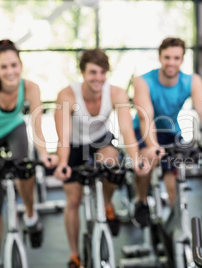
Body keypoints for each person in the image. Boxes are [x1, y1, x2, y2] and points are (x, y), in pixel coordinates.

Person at [53, 48, 147, 268]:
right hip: (74, 146)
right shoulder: (67, 94)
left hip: (101, 141)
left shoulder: (115, 93)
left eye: (102, 73)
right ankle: (75, 255)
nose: (98, 78)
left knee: (113, 164)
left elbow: (126, 130)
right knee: (73, 201)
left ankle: (106, 204)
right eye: (93, 72)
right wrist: (63, 164)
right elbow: (63, 136)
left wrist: (135, 159)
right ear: (83, 73)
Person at [0, 39, 54, 268]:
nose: (10, 71)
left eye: (14, 65)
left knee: (25, 167)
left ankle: (31, 216)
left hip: (14, 129)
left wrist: (44, 155)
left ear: (20, 65)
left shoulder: (31, 88)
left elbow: (37, 127)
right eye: (3, 67)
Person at [132, 37, 202, 227]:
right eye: (167, 57)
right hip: (144, 129)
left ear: (182, 59)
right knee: (147, 160)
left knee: (174, 167)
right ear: (160, 57)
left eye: (176, 58)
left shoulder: (191, 81)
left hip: (170, 130)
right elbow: (146, 117)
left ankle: (175, 214)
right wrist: (153, 146)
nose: (171, 62)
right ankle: (141, 201)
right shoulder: (143, 81)